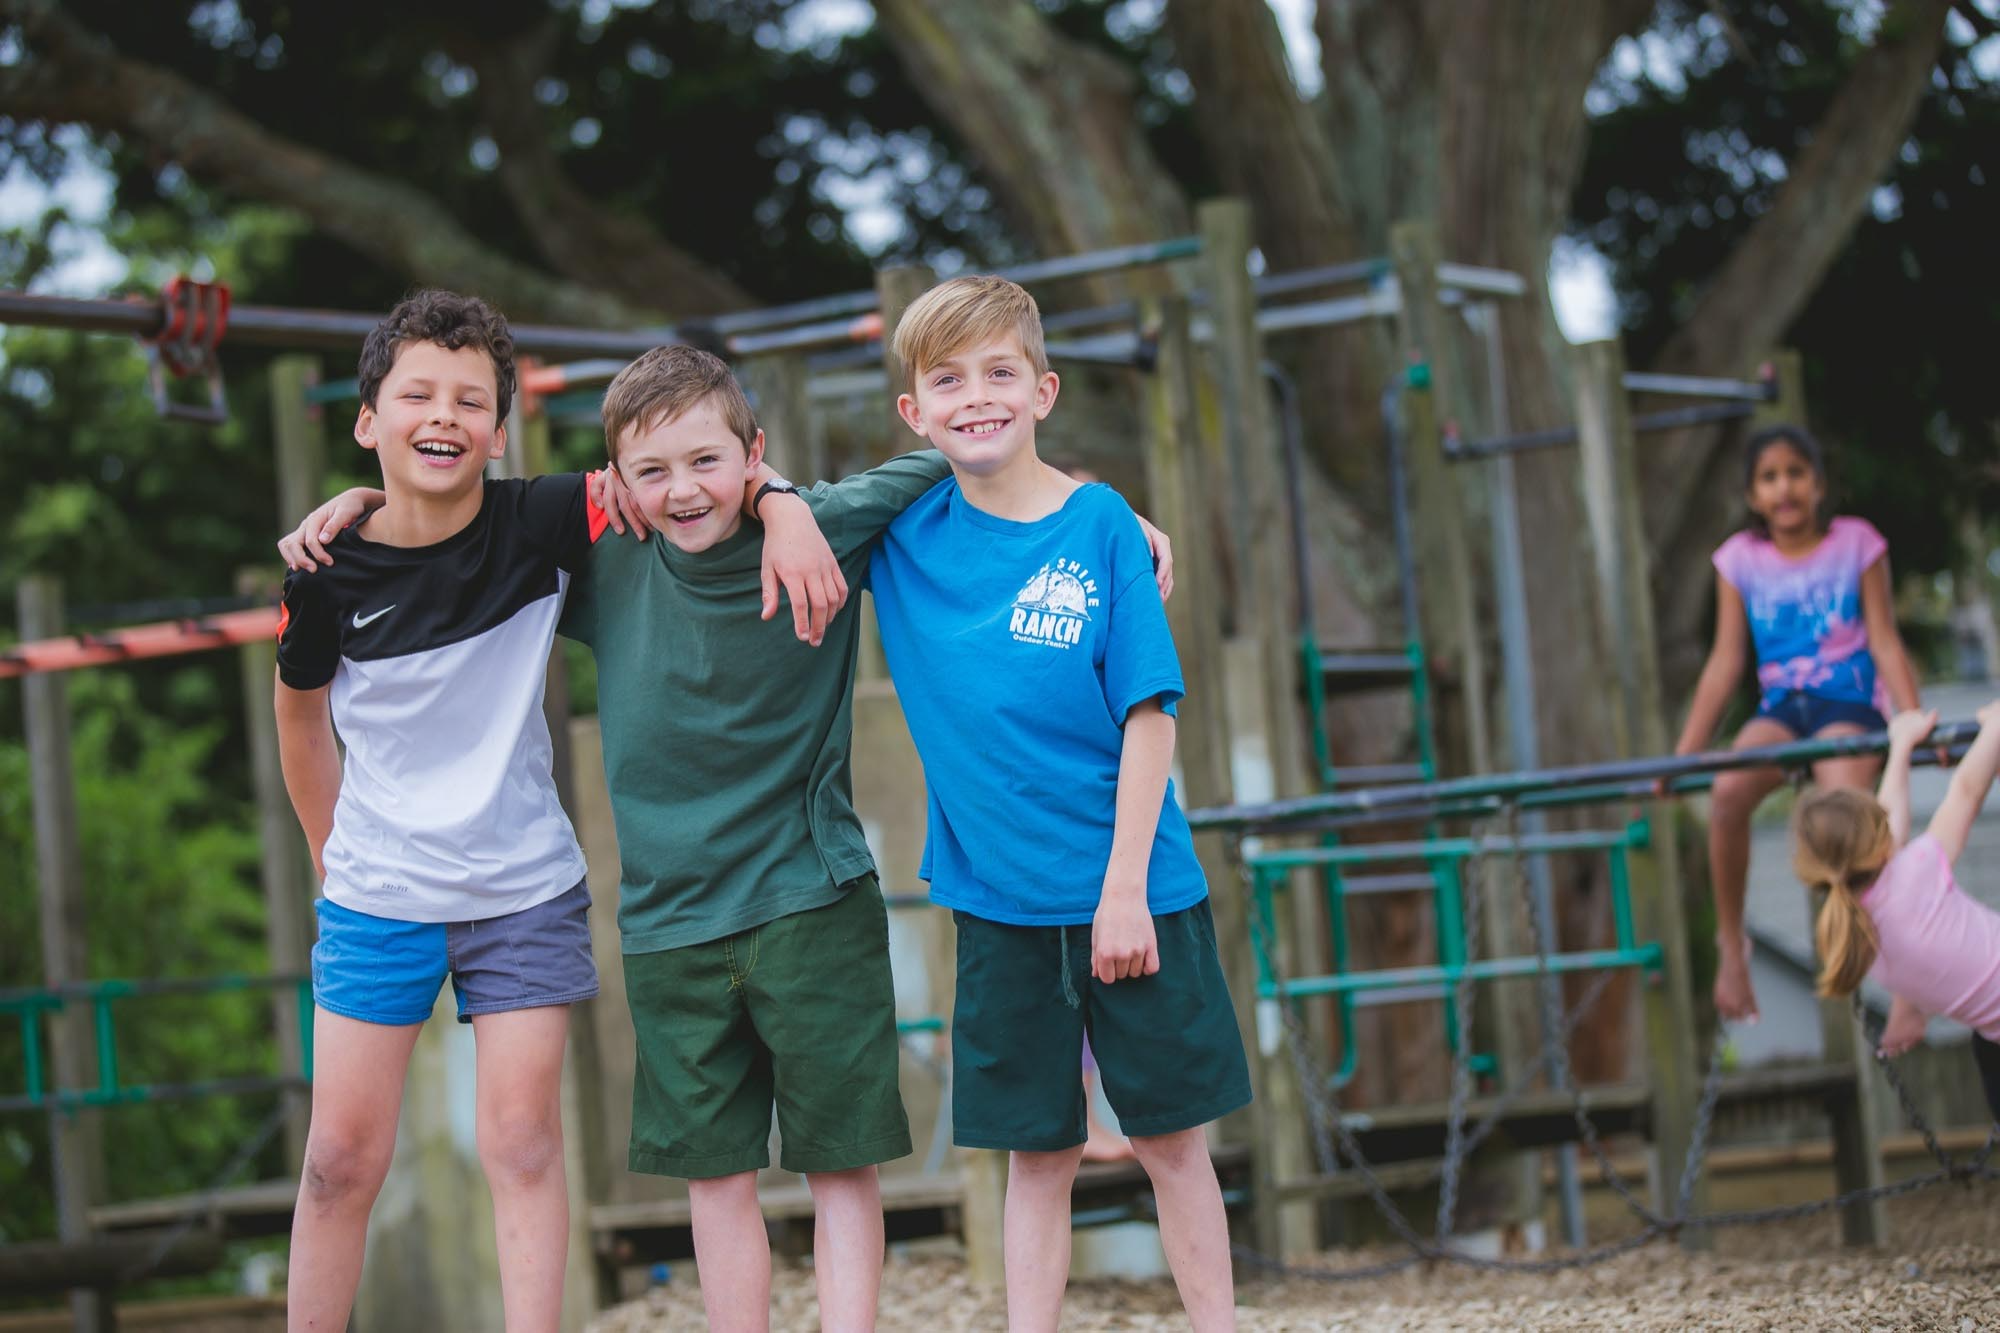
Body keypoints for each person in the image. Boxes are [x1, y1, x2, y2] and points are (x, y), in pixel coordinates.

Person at [282, 342, 1175, 1332]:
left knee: (841, 1162)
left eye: (708, 462)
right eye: (651, 471)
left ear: (751, 454)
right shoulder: (602, 558)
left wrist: (1102, 519)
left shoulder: (826, 523)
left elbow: (965, 451)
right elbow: (453, 526)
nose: (682, 490)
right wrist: (360, 505)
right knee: (713, 1176)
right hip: (668, 920)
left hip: (812, 898)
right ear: (617, 482)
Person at [272, 299, 840, 1332]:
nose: (441, 416)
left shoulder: (542, 518)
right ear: (366, 420)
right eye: (416, 396)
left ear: (500, 432)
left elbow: (690, 468)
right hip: (376, 896)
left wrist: (787, 502)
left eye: (469, 402)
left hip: (523, 889)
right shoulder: (325, 565)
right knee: (338, 1159)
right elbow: (300, 717)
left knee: (524, 1142)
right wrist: (326, 851)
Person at [870, 274, 1248, 1332]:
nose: (975, 396)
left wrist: (1122, 890)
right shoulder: (900, 535)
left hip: (1138, 890)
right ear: (913, 411)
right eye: (947, 380)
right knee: (1036, 1154)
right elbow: (765, 500)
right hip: (1001, 905)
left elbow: (1149, 712)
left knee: (1171, 1139)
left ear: (1043, 391)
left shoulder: (1101, 525)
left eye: (1000, 372)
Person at [1672, 424, 1921, 1023]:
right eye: (1769, 477)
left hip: (1848, 703)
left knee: (1845, 813)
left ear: (1818, 484)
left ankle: (1899, 967)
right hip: (1783, 709)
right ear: (1752, 495)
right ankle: (1732, 949)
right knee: (1727, 791)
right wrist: (1684, 756)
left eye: (1796, 473)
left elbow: (1885, 640)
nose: (1784, 488)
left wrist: (1914, 724)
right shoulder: (1740, 559)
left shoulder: (1856, 543)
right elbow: (1725, 663)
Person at [1791, 705, 2000, 1125]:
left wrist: (1900, 748)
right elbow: (1966, 791)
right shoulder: (1917, 873)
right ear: (1881, 841)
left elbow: (1890, 833)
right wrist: (1995, 727)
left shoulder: (1858, 938)